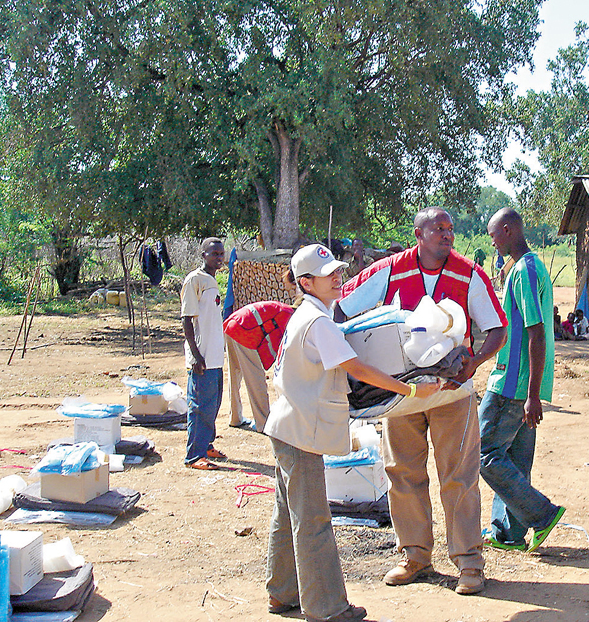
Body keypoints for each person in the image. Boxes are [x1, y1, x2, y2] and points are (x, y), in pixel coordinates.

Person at [337, 207, 507, 595]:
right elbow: (341, 306)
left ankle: (468, 562)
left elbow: (497, 328)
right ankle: (415, 555)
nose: (447, 235)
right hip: (401, 395)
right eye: (438, 228)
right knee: (402, 471)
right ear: (418, 233)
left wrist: (476, 362)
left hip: (453, 393)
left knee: (459, 477)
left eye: (450, 229)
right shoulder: (390, 270)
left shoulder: (469, 273)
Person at [265, 244, 439, 622]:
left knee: (288, 514)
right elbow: (357, 368)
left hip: (287, 428)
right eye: (329, 275)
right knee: (312, 521)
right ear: (306, 282)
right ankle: (327, 608)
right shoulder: (318, 323)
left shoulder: (308, 315)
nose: (337, 279)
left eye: (338, 272)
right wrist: (409, 388)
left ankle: (282, 593)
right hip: (300, 434)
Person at [479, 208, 566, 552]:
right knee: (514, 460)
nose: (492, 242)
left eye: (494, 235)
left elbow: (537, 333)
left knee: (483, 453)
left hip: (513, 384)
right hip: (522, 383)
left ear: (508, 230)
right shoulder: (522, 268)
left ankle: (542, 515)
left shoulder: (526, 270)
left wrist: (531, 394)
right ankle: (508, 534)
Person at [181, 238, 227, 470]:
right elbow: (187, 320)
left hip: (216, 356)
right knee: (199, 405)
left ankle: (206, 444)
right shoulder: (194, 280)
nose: (219, 258)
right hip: (202, 357)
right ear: (203, 255)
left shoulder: (212, 281)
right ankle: (194, 455)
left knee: (213, 403)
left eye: (221, 253)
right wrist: (196, 355)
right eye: (214, 254)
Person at [223, 300, 295, 432]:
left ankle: (235, 417)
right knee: (255, 378)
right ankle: (264, 423)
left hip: (231, 324)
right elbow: (286, 345)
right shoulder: (288, 315)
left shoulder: (281, 308)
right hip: (244, 330)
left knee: (235, 373)